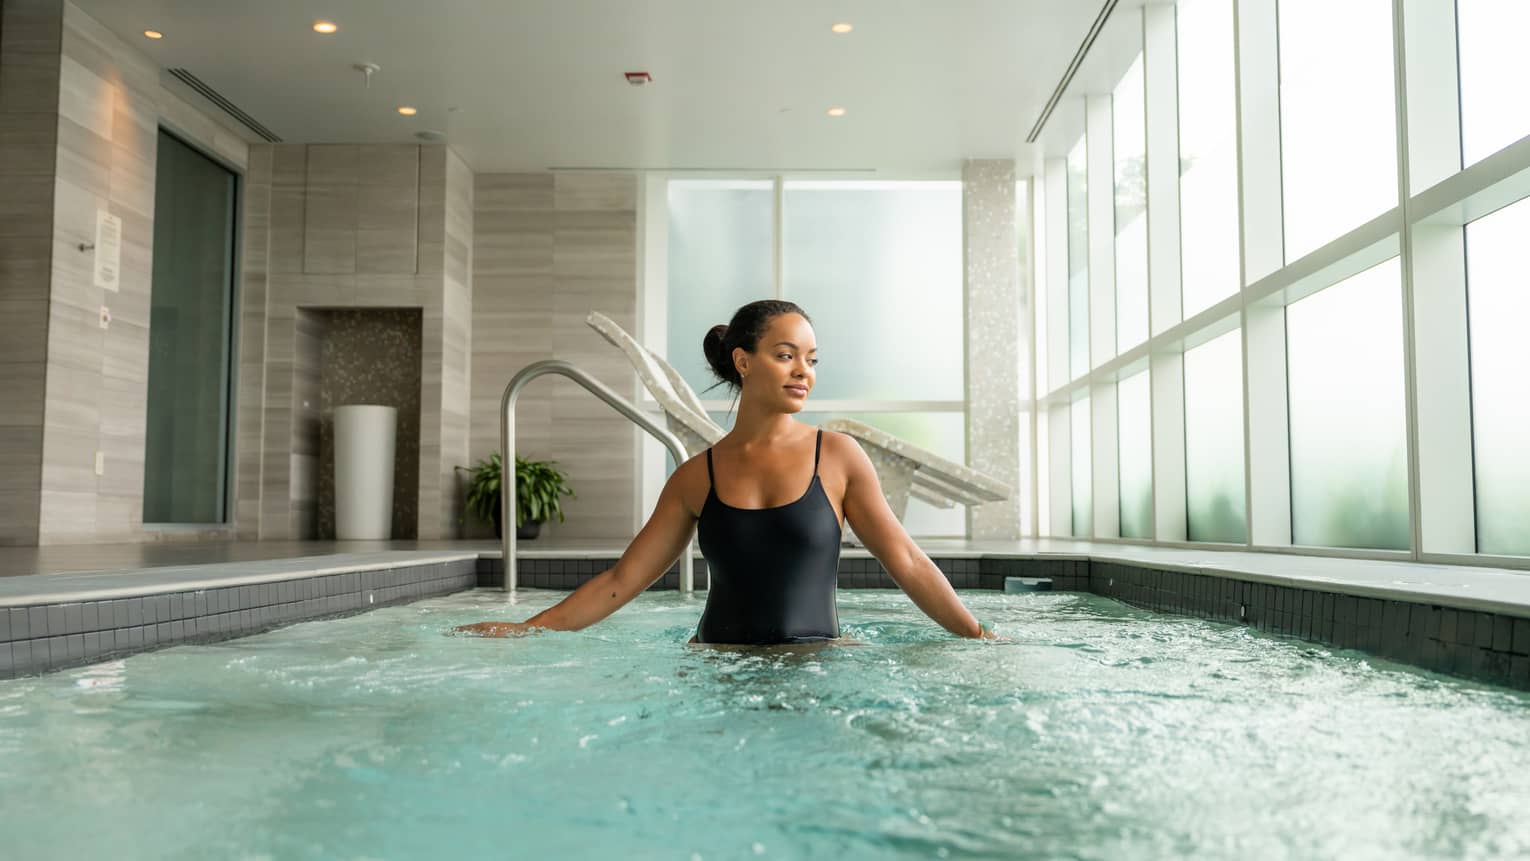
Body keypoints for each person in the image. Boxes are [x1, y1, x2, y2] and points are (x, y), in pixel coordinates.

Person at [454, 299, 997, 644]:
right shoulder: (695, 477)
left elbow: (905, 560)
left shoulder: (837, 456)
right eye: (786, 355)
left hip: (817, 670)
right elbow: (622, 582)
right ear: (743, 361)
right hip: (716, 668)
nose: (803, 370)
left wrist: (976, 633)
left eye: (811, 358)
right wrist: (527, 629)